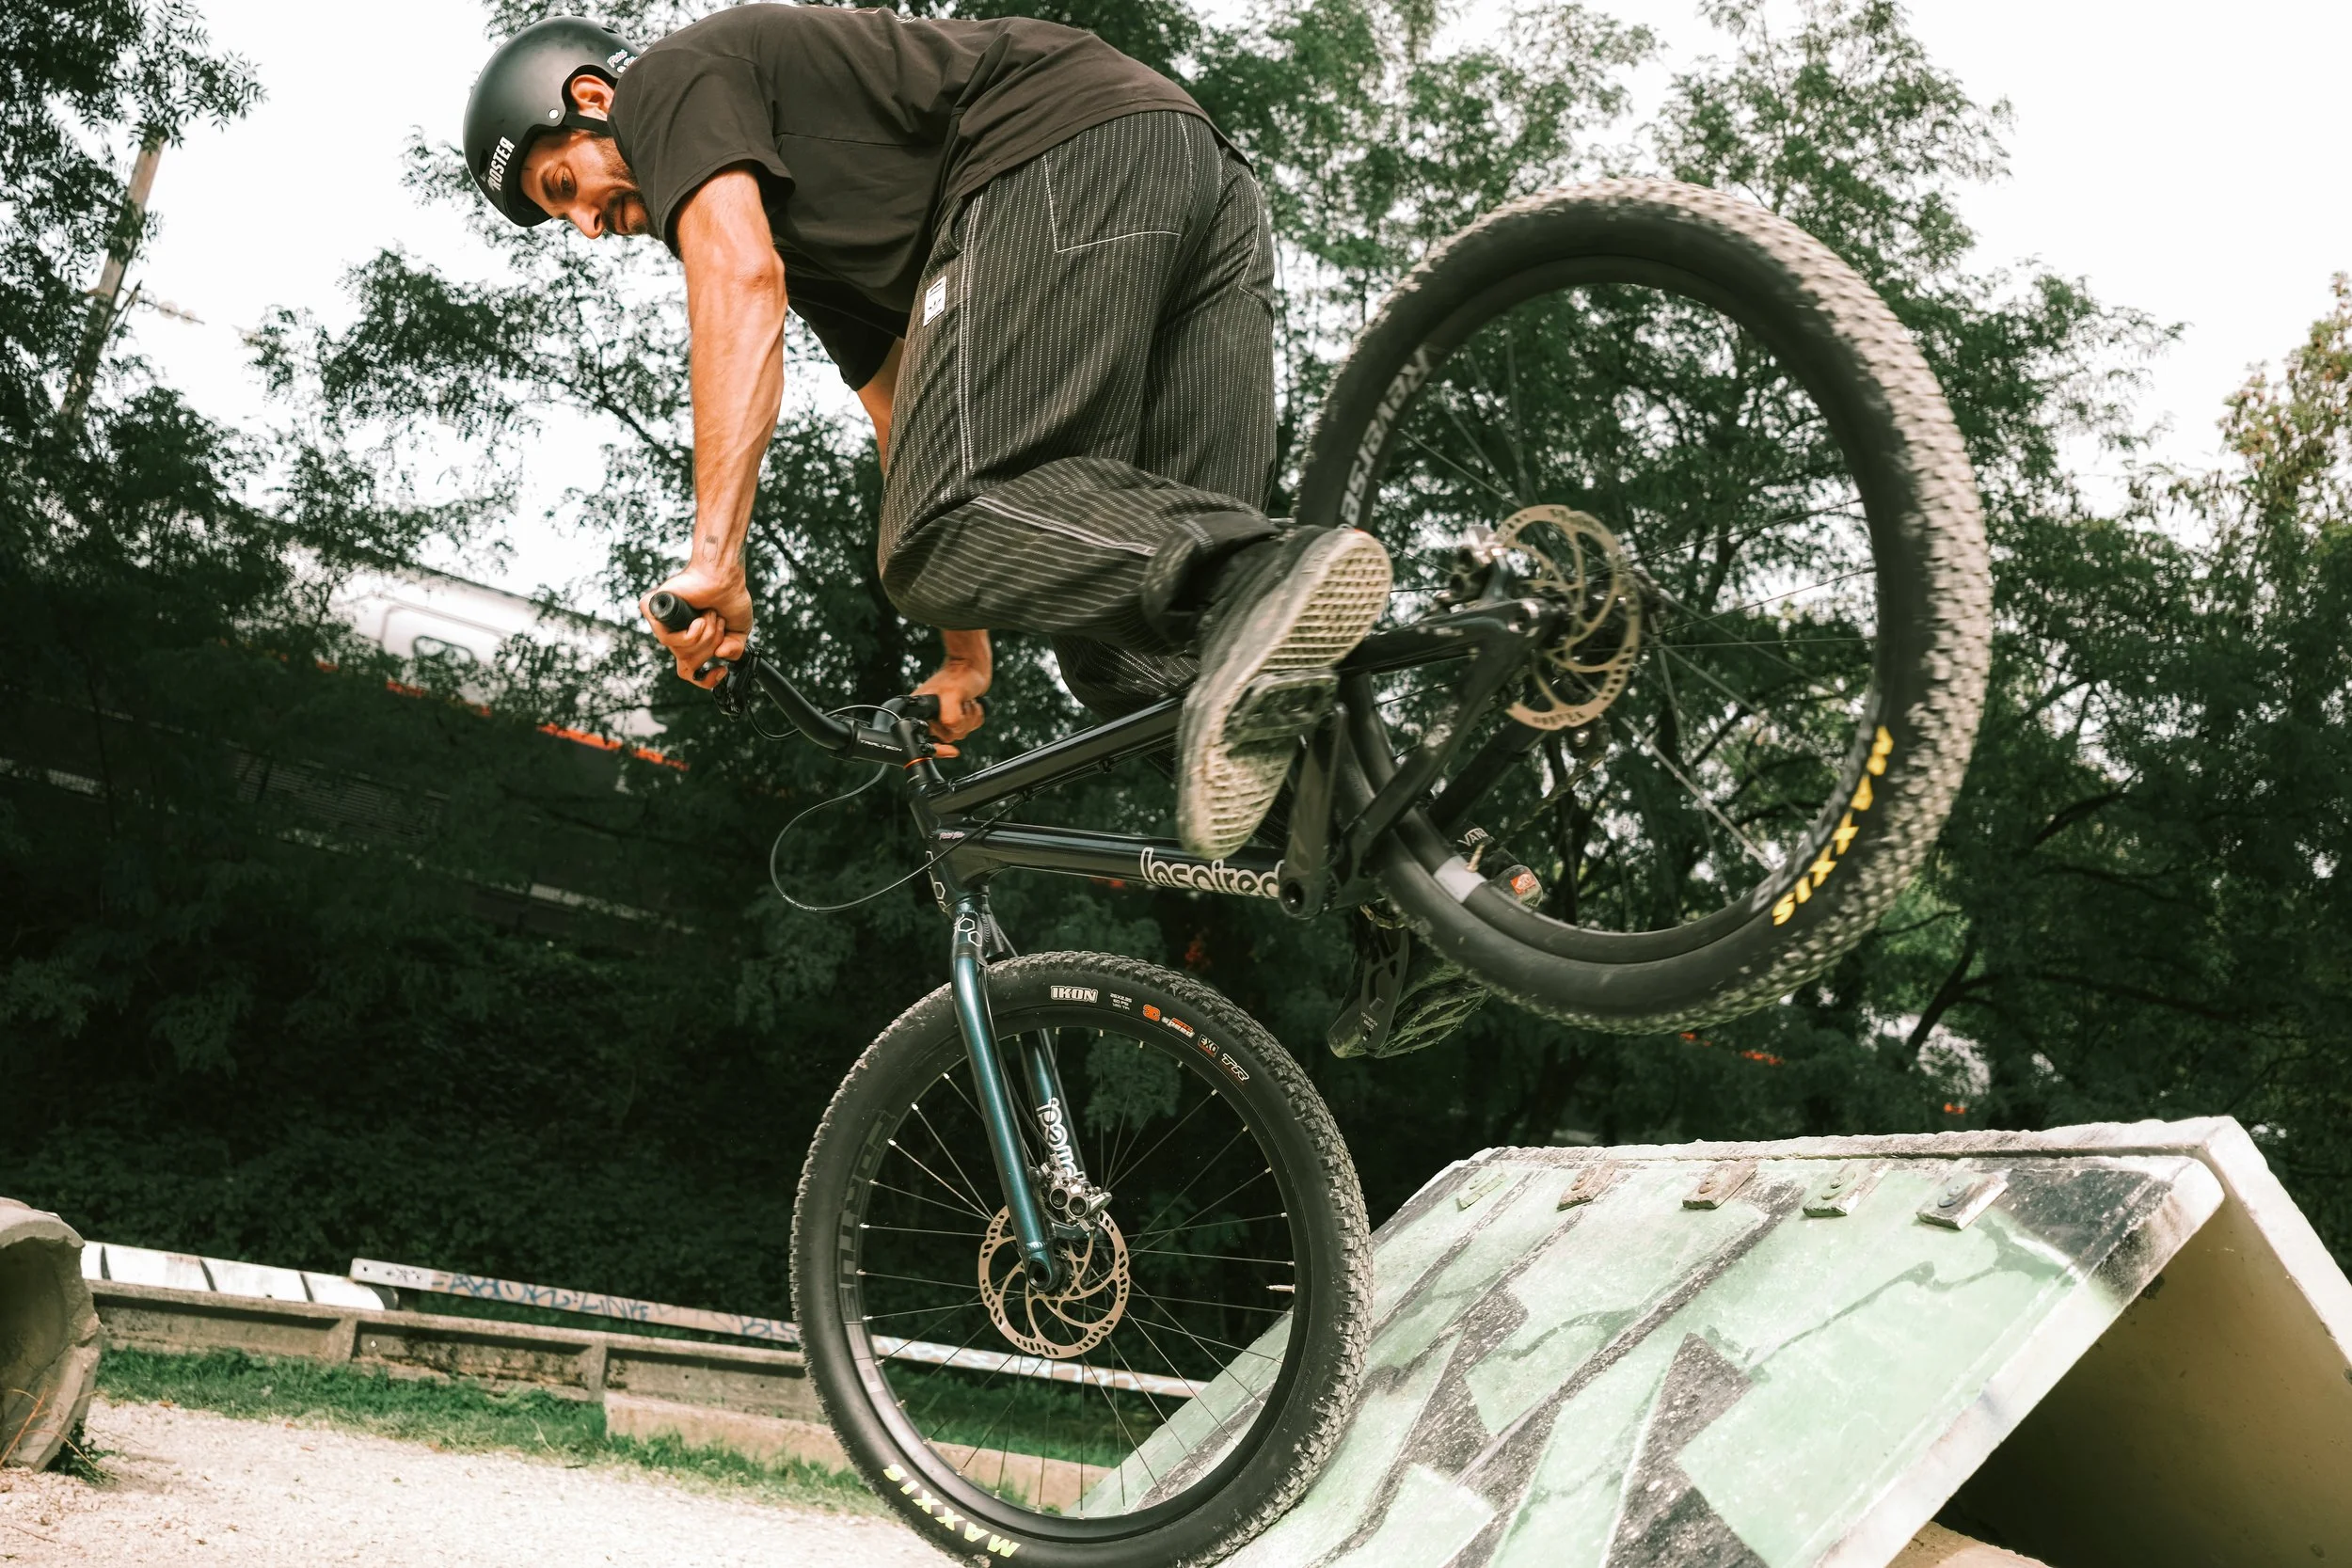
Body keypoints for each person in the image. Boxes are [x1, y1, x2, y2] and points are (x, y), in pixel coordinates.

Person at [463, 9, 1515, 1056]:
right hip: (1196, 191)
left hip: (1065, 157)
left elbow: (737, 286)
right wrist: (964, 652)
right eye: (564, 222)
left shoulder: (671, 83)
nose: (592, 229)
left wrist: (714, 560)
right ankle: (1436, 889)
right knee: (1140, 654)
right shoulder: (822, 224)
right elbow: (904, 408)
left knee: (936, 533)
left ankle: (1259, 568)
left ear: (592, 101)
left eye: (565, 190)